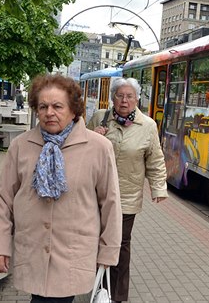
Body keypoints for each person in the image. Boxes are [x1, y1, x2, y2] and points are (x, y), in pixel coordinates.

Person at [0, 74, 122, 302]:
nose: (49, 112)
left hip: (72, 252)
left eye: (57, 106)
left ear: (73, 109)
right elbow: (4, 199)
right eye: (43, 106)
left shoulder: (98, 147)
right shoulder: (21, 146)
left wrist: (109, 251)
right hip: (33, 249)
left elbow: (110, 202)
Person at [87, 77, 168, 303]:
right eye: (120, 95)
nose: (124, 101)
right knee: (95, 240)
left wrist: (158, 188)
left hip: (127, 195)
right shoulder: (99, 118)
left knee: (120, 244)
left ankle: (117, 295)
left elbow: (155, 159)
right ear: (112, 97)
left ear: (137, 99)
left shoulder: (148, 126)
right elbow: (79, 147)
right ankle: (98, 288)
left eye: (129, 96)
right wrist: (94, 138)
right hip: (96, 193)